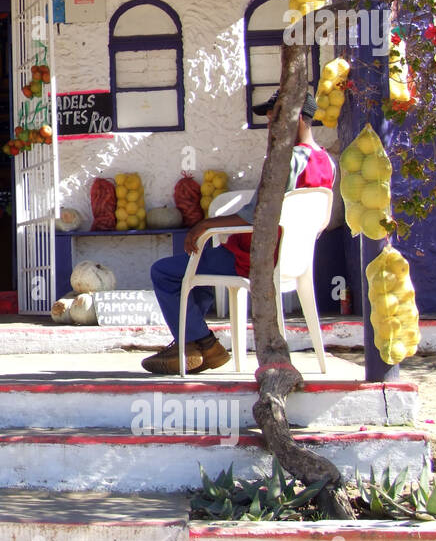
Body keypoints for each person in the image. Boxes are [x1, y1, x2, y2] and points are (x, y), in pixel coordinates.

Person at [143, 90, 336, 374]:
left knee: (165, 271)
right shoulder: (327, 162)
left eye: (275, 120)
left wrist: (205, 224)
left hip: (254, 258)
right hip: (292, 259)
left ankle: (202, 343)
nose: (270, 127)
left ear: (298, 120)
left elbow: (257, 215)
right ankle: (194, 343)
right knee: (200, 270)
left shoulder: (286, 160)